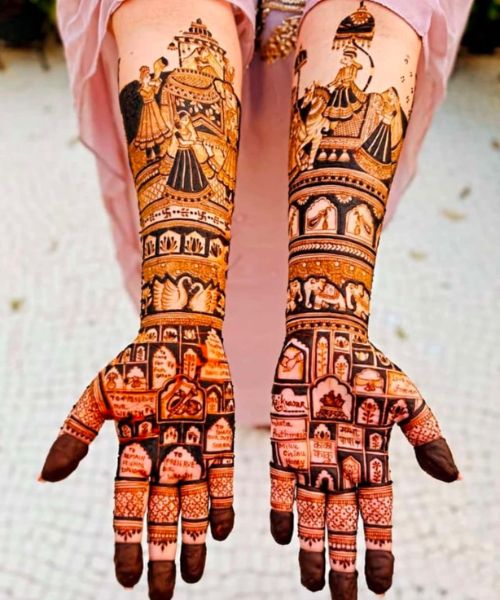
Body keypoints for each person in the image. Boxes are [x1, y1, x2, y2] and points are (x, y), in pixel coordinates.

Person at [41, 1, 472, 599]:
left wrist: (331, 320)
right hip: (191, 184)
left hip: (323, 181)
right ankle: (245, 385)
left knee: (284, 304)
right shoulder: (182, 79)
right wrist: (179, 320)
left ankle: (272, 395)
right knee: (216, 306)